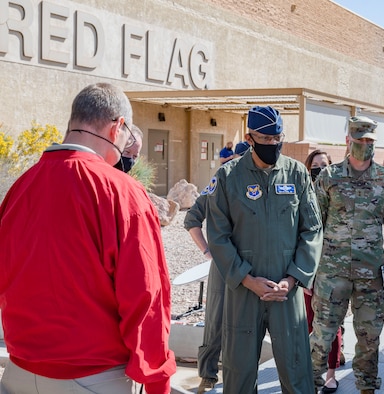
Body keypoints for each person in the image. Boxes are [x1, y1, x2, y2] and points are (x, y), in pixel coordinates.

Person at [0, 83, 176, 393]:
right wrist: (157, 382)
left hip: (19, 372)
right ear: (117, 126)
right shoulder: (123, 192)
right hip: (94, 377)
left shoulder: (20, 188)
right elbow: (146, 297)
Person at [205, 105, 323, 394]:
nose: (273, 145)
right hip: (243, 292)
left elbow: (312, 230)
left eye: (277, 138)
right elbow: (218, 236)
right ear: (250, 137)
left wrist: (293, 278)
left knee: (297, 374)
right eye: (266, 139)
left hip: (287, 292)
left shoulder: (296, 174)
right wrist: (247, 280)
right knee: (239, 375)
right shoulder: (228, 177)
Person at [309, 116, 384, 394]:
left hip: (371, 276)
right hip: (332, 273)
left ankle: (366, 388)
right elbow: (313, 226)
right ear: (348, 141)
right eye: (360, 141)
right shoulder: (329, 178)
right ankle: (308, 385)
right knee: (322, 336)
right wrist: (307, 272)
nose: (365, 146)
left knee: (369, 338)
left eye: (370, 141)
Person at [183, 142, 250, 394]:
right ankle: (208, 375)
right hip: (223, 265)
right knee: (216, 322)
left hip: (255, 265)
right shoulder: (223, 179)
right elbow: (192, 219)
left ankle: (243, 375)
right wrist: (208, 251)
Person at [303, 149, 342, 393]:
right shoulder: (302, 195)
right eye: (315, 165)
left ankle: (331, 373)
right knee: (310, 323)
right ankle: (312, 370)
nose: (319, 168)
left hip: (335, 270)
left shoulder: (340, 194)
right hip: (310, 269)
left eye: (324, 164)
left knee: (331, 323)